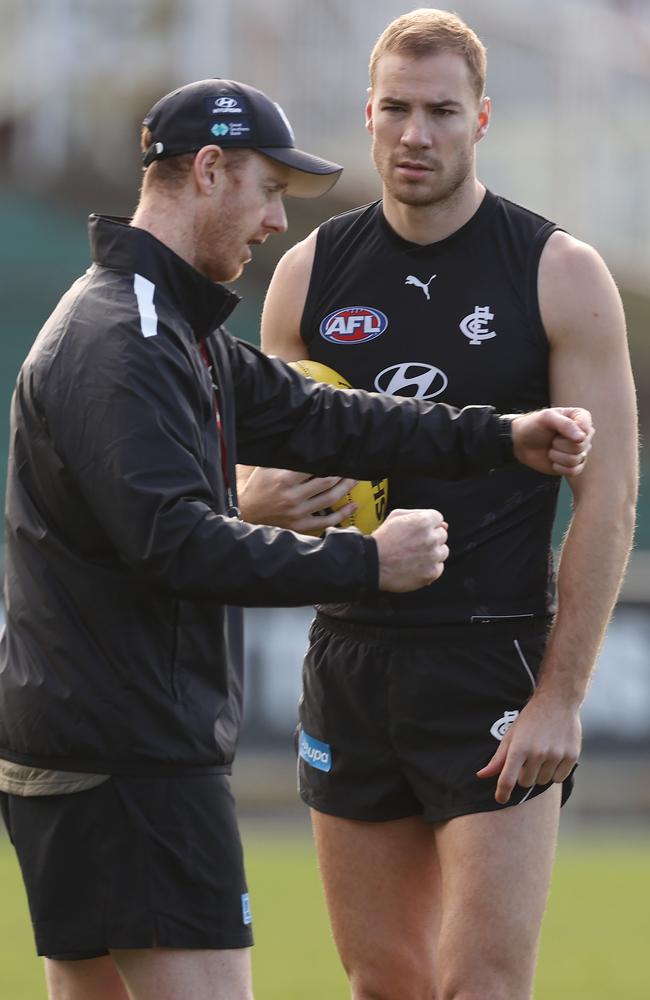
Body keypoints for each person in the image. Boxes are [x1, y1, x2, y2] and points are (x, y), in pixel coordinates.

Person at [0, 76, 593, 1000]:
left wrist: (498, 435)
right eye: (268, 189)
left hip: (75, 745)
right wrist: (370, 561)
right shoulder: (129, 336)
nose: (278, 220)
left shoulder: (167, 329)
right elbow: (181, 545)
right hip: (133, 755)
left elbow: (330, 419)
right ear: (208, 170)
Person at [238, 10, 638, 1000]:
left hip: (491, 659)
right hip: (348, 659)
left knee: (483, 986)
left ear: (481, 120)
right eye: (397, 109)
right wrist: (276, 496)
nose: (416, 134)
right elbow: (247, 479)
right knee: (384, 983)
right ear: (368, 117)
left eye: (441, 112)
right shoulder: (308, 272)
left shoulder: (558, 274)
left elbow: (608, 496)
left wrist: (559, 697)